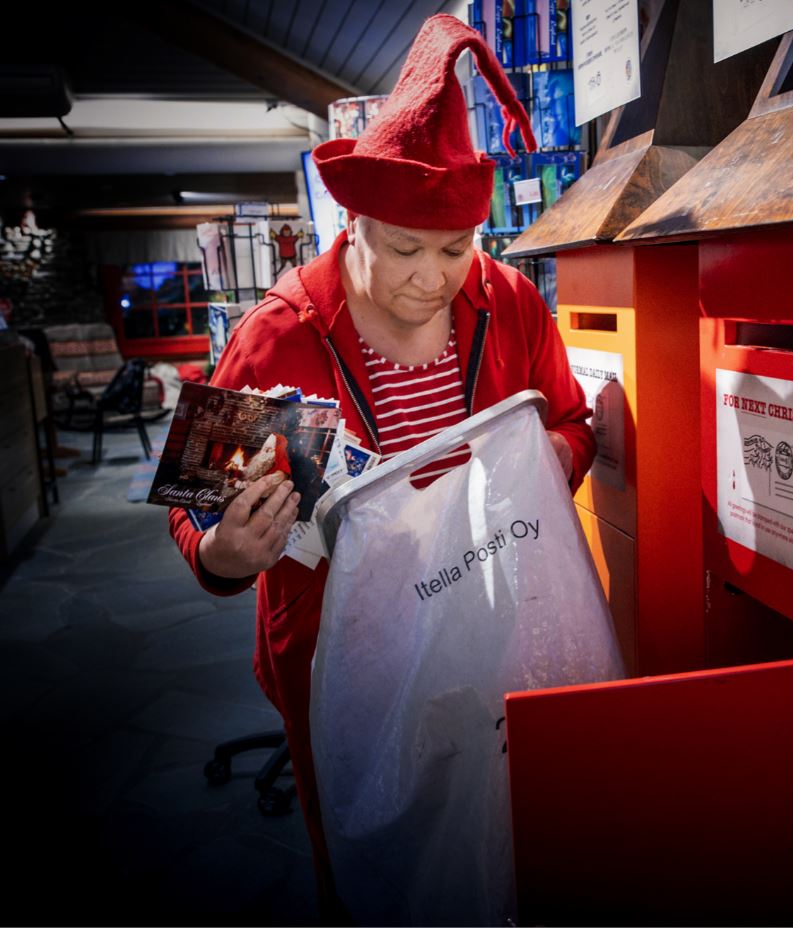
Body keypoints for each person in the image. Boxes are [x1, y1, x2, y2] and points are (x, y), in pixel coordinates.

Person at [166, 14, 593, 911]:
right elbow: (197, 505)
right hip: (337, 648)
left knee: (507, 839)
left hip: (491, 625)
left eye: (453, 249)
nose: (432, 278)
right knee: (373, 868)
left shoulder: (508, 303)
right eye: (404, 248)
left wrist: (550, 456)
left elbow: (572, 423)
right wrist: (221, 558)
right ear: (352, 224)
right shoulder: (277, 336)